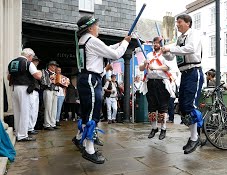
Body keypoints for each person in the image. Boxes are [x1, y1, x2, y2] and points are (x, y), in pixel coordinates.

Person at [72, 15, 131, 164]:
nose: (99, 28)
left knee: (87, 113)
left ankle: (82, 141)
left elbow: (106, 49)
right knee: (93, 114)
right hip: (92, 79)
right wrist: (125, 43)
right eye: (97, 25)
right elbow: (116, 55)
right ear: (91, 28)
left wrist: (119, 43)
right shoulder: (92, 40)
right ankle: (89, 150)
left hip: (85, 78)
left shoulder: (84, 40)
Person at [161, 14, 204, 154]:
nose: (177, 25)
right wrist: (165, 51)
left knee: (190, 106)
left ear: (188, 23)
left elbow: (190, 48)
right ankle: (194, 137)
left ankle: (195, 138)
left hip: (194, 72)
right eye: (176, 22)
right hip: (184, 75)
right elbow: (172, 56)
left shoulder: (194, 34)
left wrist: (170, 48)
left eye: (179, 22)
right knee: (184, 108)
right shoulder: (179, 39)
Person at [140, 36, 175, 140]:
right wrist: (145, 64)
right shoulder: (149, 55)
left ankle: (163, 129)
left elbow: (167, 67)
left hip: (162, 83)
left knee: (162, 107)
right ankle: (154, 128)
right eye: (154, 42)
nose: (155, 44)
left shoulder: (165, 55)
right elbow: (142, 68)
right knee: (151, 107)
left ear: (161, 44)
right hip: (150, 83)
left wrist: (155, 67)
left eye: (157, 43)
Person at [7, 48, 42, 142]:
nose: (31, 59)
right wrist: (40, 73)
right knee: (25, 112)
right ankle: (22, 135)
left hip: (14, 88)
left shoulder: (12, 62)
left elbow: (8, 77)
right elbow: (37, 76)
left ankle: (18, 132)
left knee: (17, 111)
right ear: (29, 56)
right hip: (24, 88)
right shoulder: (27, 63)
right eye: (31, 57)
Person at [43, 61, 59, 130]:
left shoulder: (56, 74)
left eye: (55, 66)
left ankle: (53, 123)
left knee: (54, 108)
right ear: (49, 66)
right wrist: (50, 80)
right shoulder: (45, 72)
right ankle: (47, 124)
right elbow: (43, 81)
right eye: (53, 66)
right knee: (48, 108)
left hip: (55, 90)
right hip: (48, 90)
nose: (54, 67)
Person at [28, 56, 41, 135]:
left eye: (37, 61)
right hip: (31, 90)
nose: (37, 62)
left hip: (36, 90)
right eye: (35, 61)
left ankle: (31, 127)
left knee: (35, 110)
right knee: (31, 109)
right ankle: (29, 128)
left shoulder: (36, 69)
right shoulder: (29, 67)